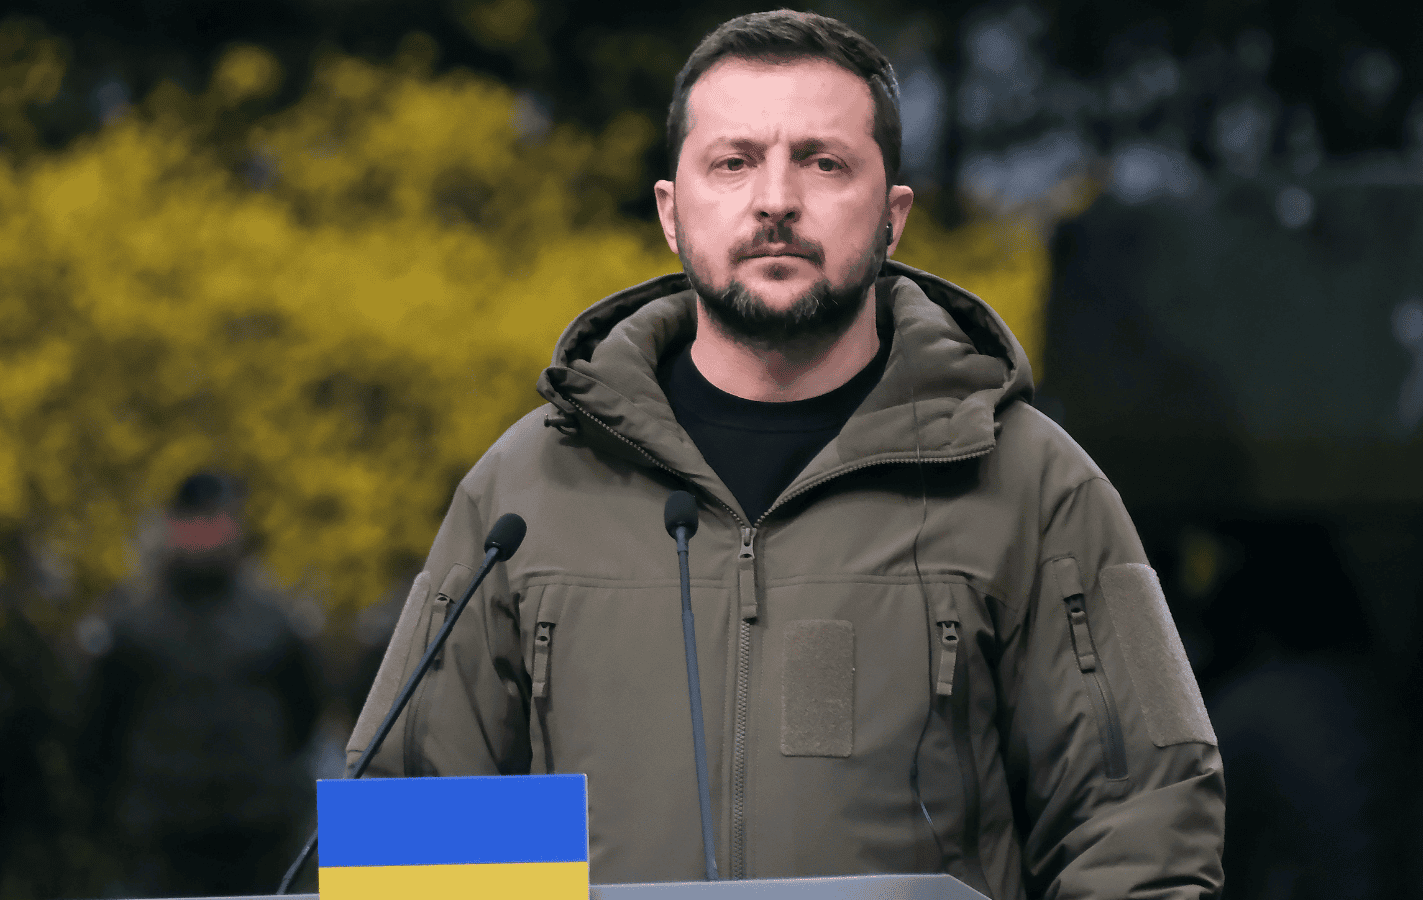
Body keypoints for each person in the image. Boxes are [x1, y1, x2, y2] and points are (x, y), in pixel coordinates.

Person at [350, 11, 1224, 898]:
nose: (775, 200)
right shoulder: (525, 489)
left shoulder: (1034, 483)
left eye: (823, 162)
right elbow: (418, 842)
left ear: (892, 217)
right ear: (671, 212)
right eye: (733, 162)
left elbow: (1140, 832)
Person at [79, 471, 321, 896]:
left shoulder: (273, 619)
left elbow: (306, 711)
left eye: (217, 521)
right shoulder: (132, 622)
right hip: (162, 834)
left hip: (259, 828)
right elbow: (99, 728)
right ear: (173, 528)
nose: (207, 536)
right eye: (197, 523)